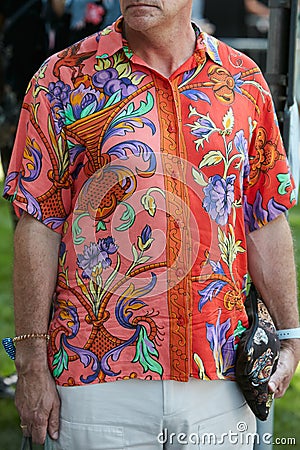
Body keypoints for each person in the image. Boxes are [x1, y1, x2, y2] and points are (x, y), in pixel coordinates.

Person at [2, 1, 300, 449]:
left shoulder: (243, 82)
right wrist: (30, 361)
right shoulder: (61, 80)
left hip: (219, 377)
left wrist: (291, 335)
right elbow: (38, 223)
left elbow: (264, 218)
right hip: (94, 380)